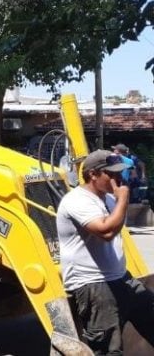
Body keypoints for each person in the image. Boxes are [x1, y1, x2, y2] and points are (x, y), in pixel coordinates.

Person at [56, 149, 154, 353]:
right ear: (92, 174)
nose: (118, 179)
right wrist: (124, 198)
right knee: (110, 347)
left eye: (120, 173)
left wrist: (119, 200)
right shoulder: (76, 200)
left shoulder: (108, 198)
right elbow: (106, 231)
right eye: (112, 174)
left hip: (120, 278)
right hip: (93, 284)